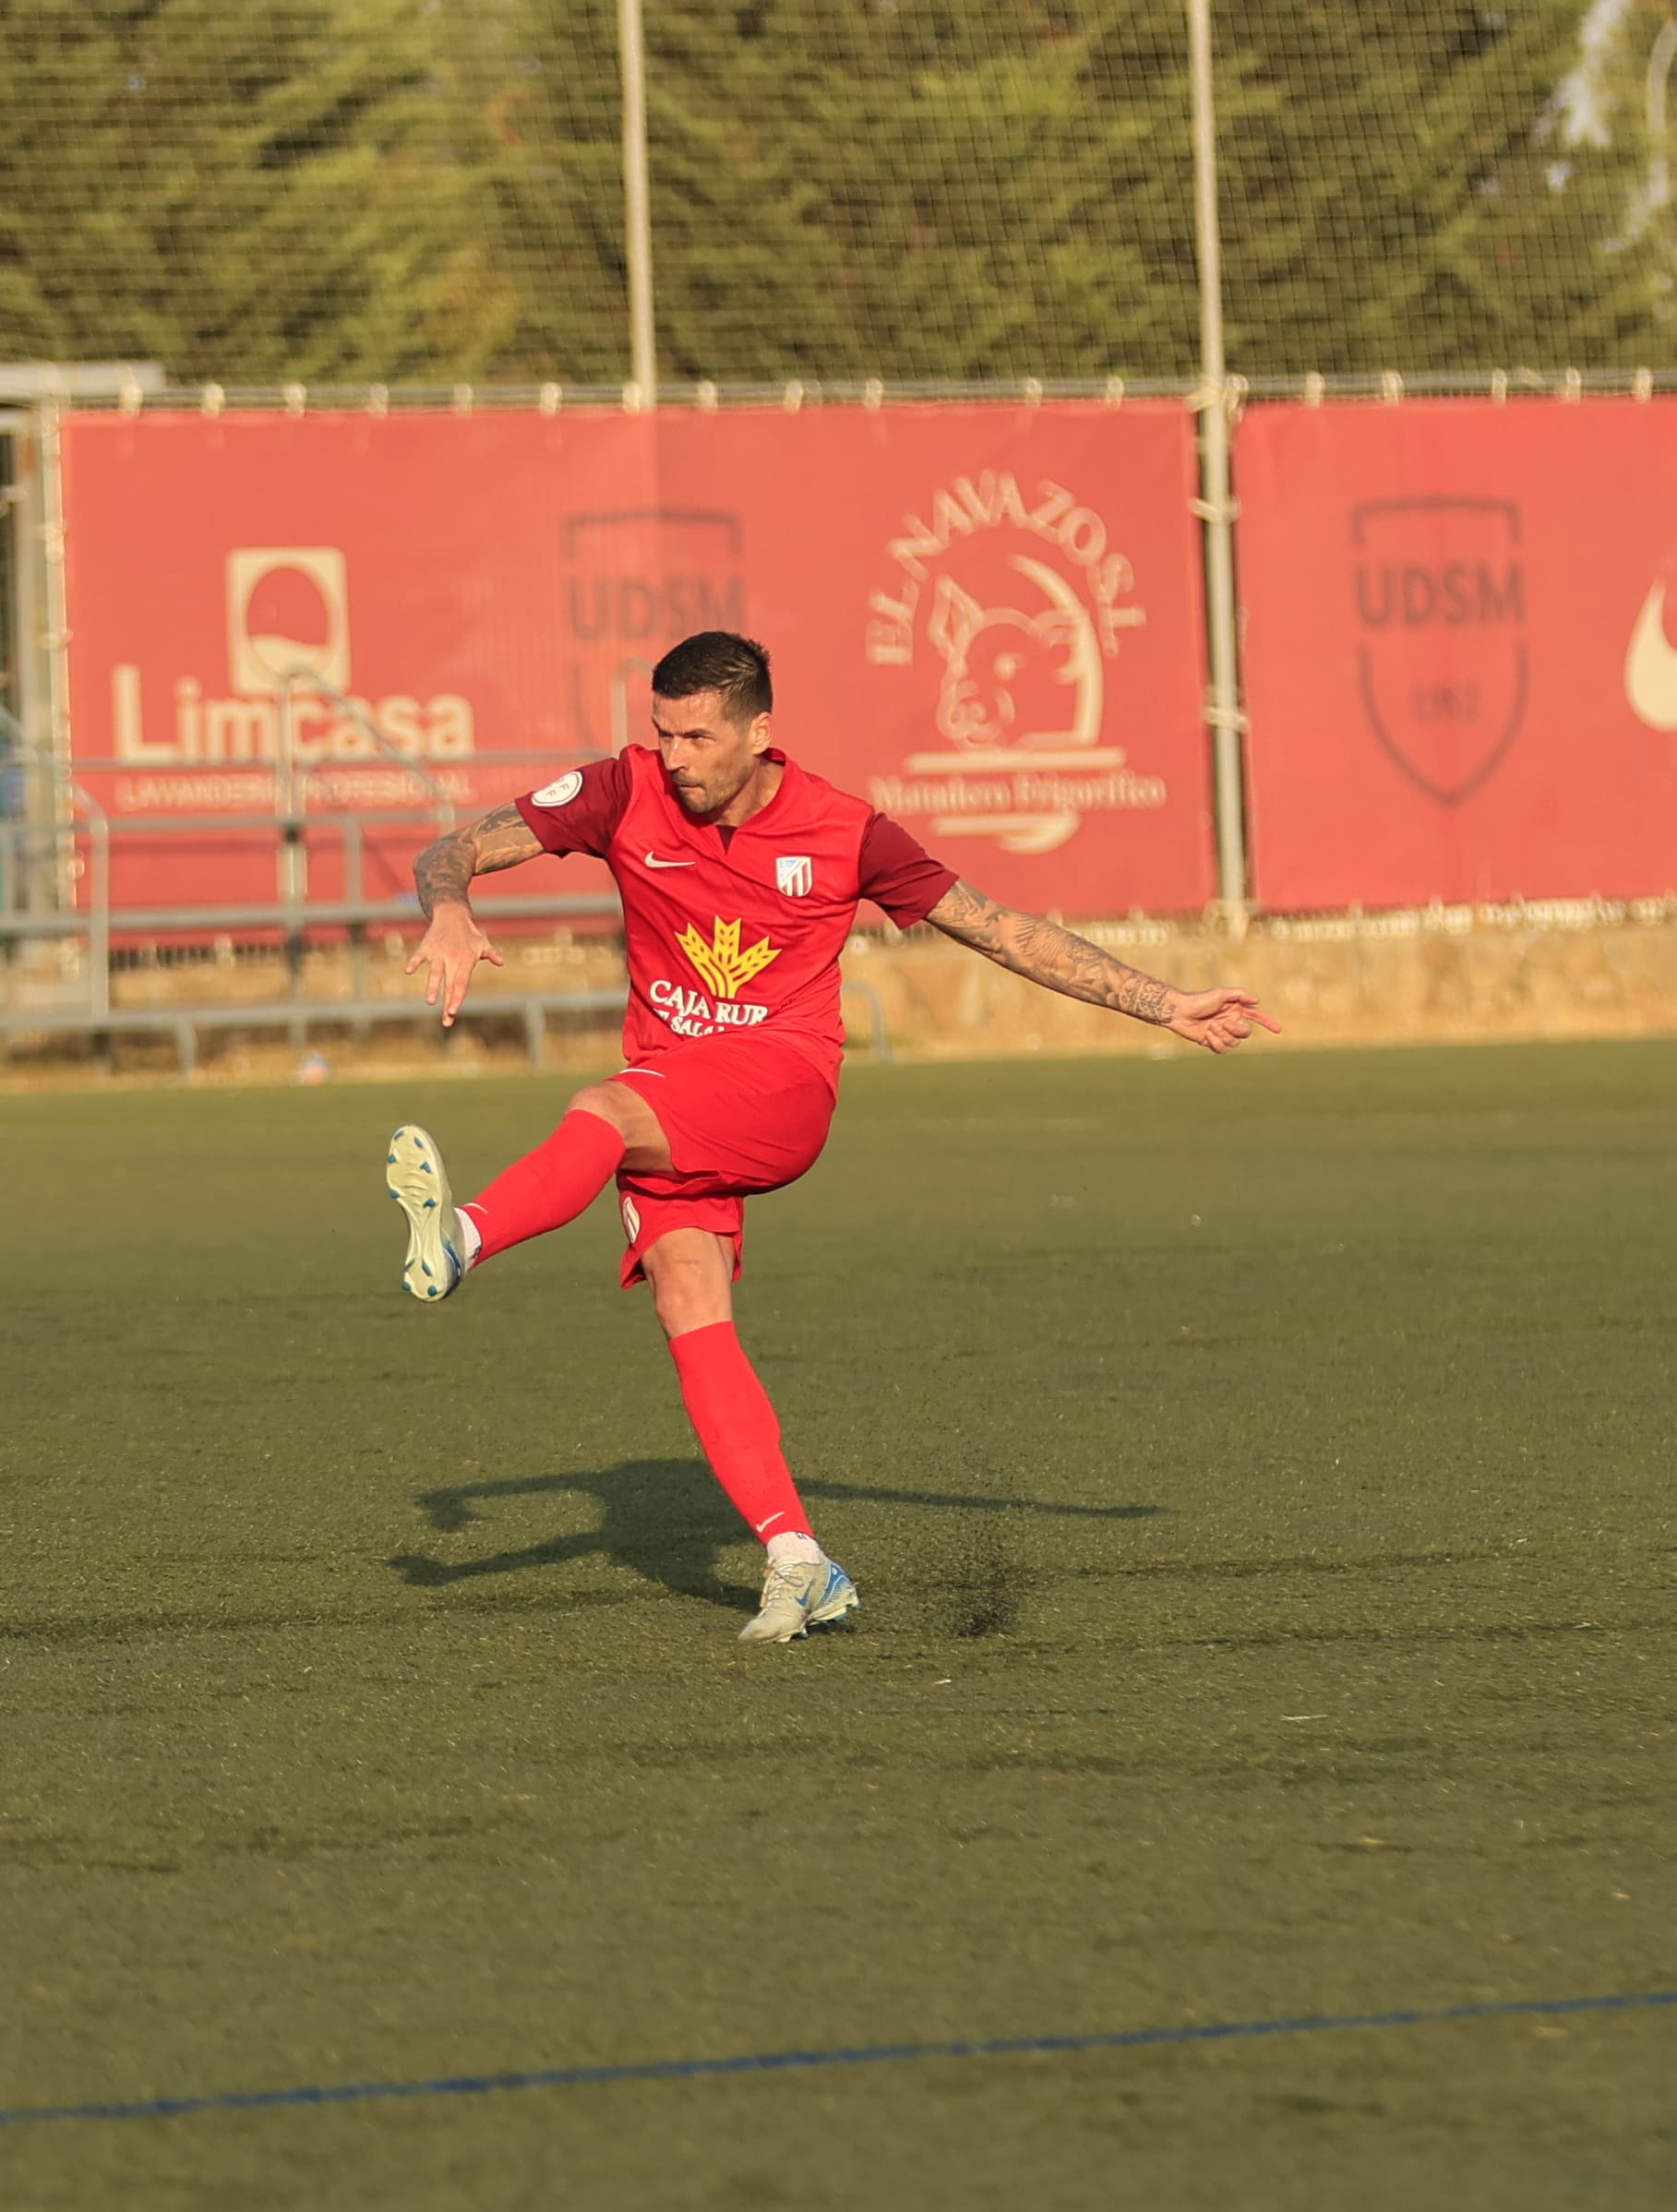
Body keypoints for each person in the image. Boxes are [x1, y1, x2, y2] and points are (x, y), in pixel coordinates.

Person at [384, 630, 1277, 1644]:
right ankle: (798, 1560)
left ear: (762, 733)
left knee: (600, 1110)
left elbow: (1000, 928)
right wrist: (449, 907)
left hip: (779, 1088)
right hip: (677, 1096)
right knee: (689, 1299)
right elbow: (448, 848)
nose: (675, 757)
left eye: (699, 736)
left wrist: (1164, 1005)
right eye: (662, 732)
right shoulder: (621, 790)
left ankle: (458, 1240)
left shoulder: (845, 830)